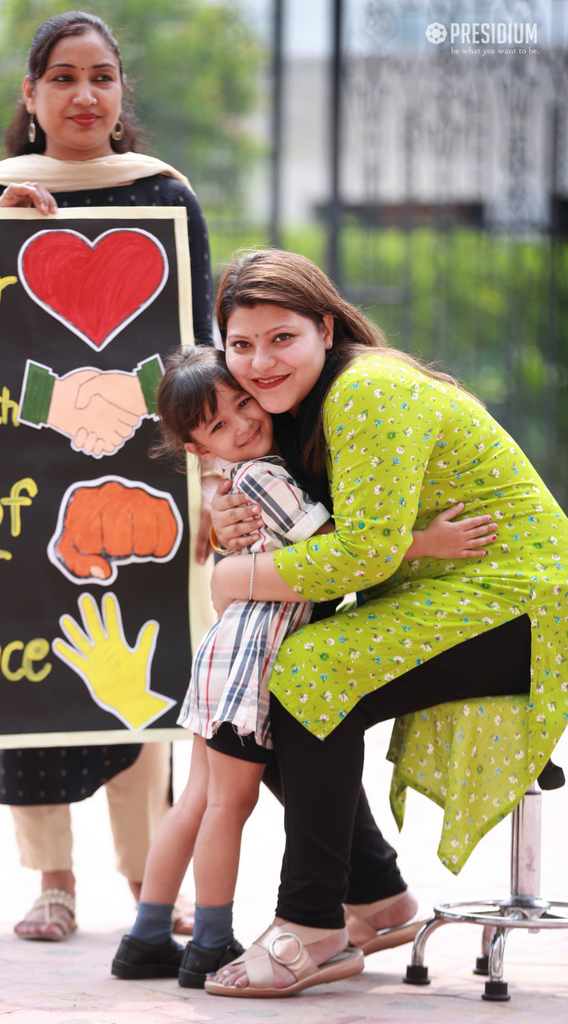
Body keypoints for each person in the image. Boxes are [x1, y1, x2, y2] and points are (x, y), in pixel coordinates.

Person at [203, 249, 568, 997]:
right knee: (272, 689)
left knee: (308, 669)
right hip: (455, 594)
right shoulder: (300, 408)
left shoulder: (365, 390)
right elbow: (313, 532)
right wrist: (222, 515)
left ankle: (312, 924)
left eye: (281, 339)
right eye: (241, 345)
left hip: (519, 597)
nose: (259, 362)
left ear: (325, 329)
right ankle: (375, 901)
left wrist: (230, 579)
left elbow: (363, 553)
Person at [111, 346, 498, 990]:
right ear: (196, 448)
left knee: (202, 799)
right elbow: (341, 548)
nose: (243, 422)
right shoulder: (264, 476)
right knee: (226, 806)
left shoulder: (249, 474)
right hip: (250, 658)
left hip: (226, 655)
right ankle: (208, 939)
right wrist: (424, 544)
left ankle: (147, 935)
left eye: (242, 403)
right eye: (219, 425)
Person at [0, 9, 215, 940]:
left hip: (138, 470)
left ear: (121, 92)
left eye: (100, 75)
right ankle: (50, 882)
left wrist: (196, 461)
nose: (83, 94)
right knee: (31, 673)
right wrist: (0, 250)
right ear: (30, 96)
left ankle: (153, 882)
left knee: (136, 667)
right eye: (62, 77)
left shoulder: (162, 196)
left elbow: (192, 348)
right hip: (17, 473)